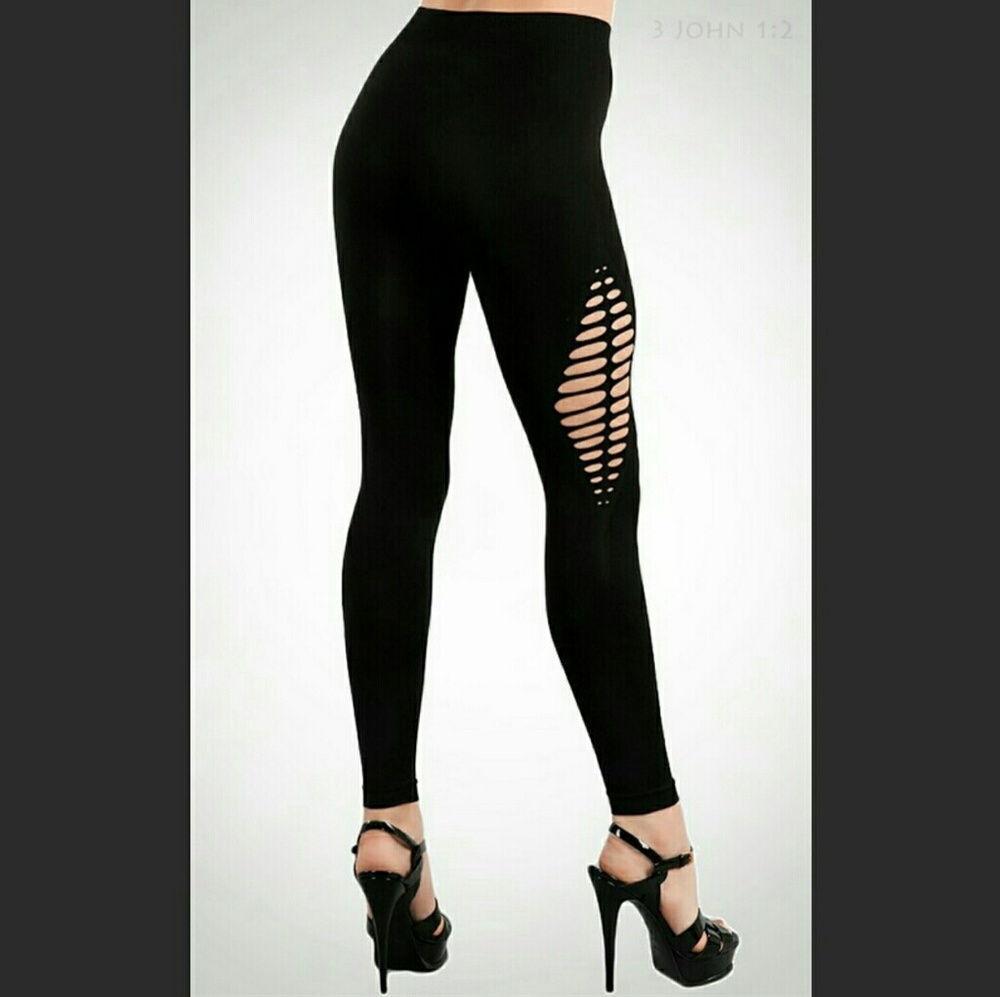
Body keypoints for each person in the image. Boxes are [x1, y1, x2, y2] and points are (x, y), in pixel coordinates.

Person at [332, 1, 738, 991]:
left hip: (393, 113)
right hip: (529, 126)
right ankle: (650, 837)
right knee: (596, 495)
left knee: (396, 479)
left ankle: (389, 829)